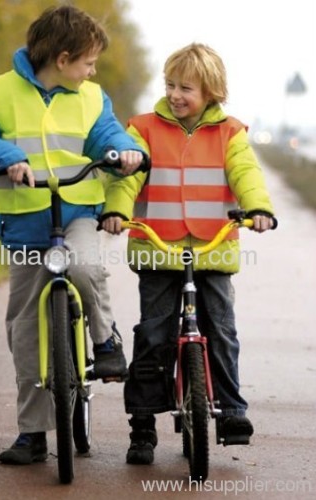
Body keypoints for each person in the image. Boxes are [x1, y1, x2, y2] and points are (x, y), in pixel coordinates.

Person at [0, 5, 145, 465]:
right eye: (88, 61)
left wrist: (128, 153)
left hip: (76, 210)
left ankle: (105, 340)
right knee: (24, 328)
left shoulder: (92, 97)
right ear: (62, 58)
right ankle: (32, 433)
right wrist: (4, 156)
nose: (92, 70)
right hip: (23, 223)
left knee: (84, 265)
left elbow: (110, 136)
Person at [101, 43, 275, 465]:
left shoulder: (230, 132)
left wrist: (258, 209)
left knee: (222, 330)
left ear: (212, 92)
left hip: (211, 251)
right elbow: (128, 179)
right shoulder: (143, 128)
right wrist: (117, 212)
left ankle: (232, 410)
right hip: (157, 248)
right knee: (154, 335)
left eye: (187, 88)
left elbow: (245, 172)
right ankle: (142, 424)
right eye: (170, 85)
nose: (176, 94)